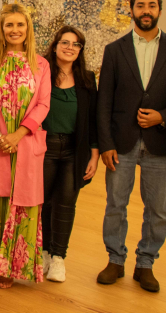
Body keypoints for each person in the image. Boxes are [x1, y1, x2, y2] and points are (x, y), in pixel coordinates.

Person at [95, 0, 166, 292]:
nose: (145, 10)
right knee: (115, 205)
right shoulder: (115, 49)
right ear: (131, 9)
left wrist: (163, 116)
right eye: (140, 5)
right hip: (121, 144)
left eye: (151, 5)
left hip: (160, 142)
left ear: (160, 9)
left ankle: (146, 263)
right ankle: (115, 259)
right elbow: (104, 101)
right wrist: (106, 143)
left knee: (158, 208)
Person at [0, 3, 51, 288]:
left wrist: (18, 135)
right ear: (1, 31)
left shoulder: (41, 64)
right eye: (9, 25)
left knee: (21, 202)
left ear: (28, 30)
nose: (15, 30)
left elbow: (43, 104)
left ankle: (11, 268)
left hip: (25, 145)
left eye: (20, 25)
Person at [40, 26, 100, 283]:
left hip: (75, 151)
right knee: (41, 202)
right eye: (65, 42)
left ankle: (58, 259)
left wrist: (94, 156)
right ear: (55, 46)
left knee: (66, 203)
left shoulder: (87, 79)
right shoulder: (40, 72)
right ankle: (41, 252)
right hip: (44, 148)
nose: (70, 47)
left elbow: (93, 121)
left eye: (76, 44)